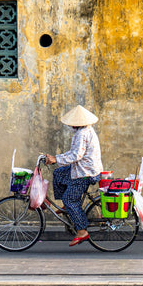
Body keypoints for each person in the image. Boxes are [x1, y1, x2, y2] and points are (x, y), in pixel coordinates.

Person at [45, 105, 103, 246]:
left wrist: (56, 159)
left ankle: (81, 230)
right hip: (82, 168)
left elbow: (76, 155)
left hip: (85, 173)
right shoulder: (84, 131)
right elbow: (75, 154)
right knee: (59, 173)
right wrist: (56, 158)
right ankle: (68, 207)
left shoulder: (82, 134)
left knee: (70, 200)